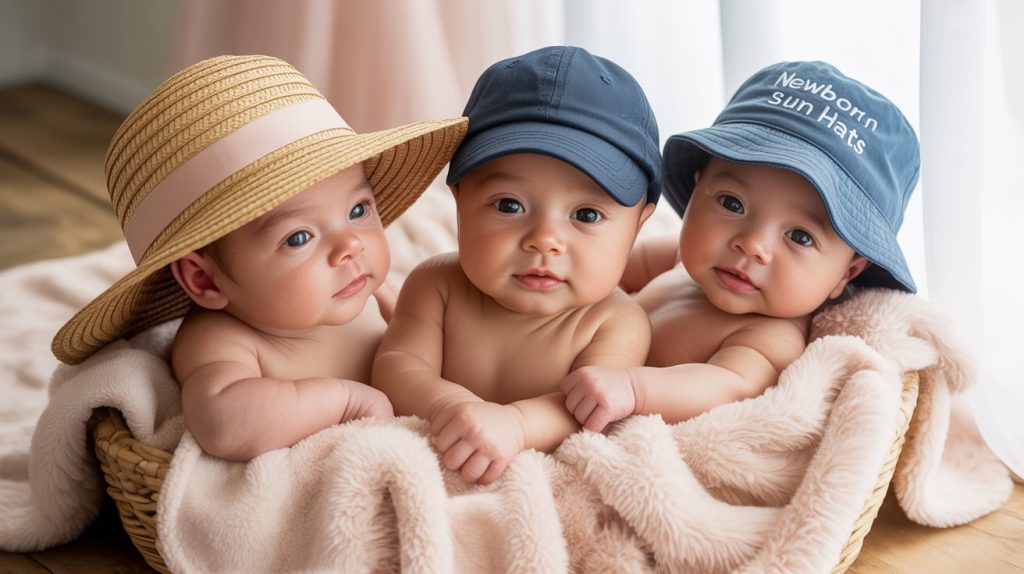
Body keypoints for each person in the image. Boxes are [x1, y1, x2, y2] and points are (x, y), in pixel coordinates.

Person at [50, 55, 468, 461]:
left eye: (358, 210)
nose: (351, 246)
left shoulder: (371, 293)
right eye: (299, 236)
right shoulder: (222, 339)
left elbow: (435, 342)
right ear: (205, 281)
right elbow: (223, 423)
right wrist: (347, 400)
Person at [561, 60, 921, 432]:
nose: (751, 245)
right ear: (699, 188)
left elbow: (729, 387)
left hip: (592, 406)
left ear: (847, 272)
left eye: (800, 236)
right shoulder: (677, 258)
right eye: (732, 204)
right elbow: (600, 268)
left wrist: (633, 388)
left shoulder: (769, 337)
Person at [372, 46, 661, 484]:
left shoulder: (615, 322)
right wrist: (449, 406)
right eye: (509, 204)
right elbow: (398, 365)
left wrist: (516, 425)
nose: (545, 239)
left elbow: (585, 407)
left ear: (639, 226)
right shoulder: (437, 286)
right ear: (459, 200)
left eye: (586, 215)